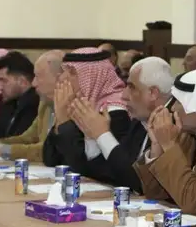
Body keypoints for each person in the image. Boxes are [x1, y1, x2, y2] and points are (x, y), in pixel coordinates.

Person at [135, 68, 196, 214]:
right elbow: (156, 193)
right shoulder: (187, 135)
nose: (173, 108)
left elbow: (194, 203)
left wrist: (169, 145)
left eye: (179, 102)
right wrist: (157, 146)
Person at [69, 56, 173, 191]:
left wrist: (102, 134)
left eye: (131, 87)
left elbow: (138, 183)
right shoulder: (138, 122)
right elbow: (107, 173)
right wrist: (92, 137)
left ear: (153, 93)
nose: (123, 95)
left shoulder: (171, 125)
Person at [42, 47, 131, 181]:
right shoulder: (80, 105)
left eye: (72, 72)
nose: (63, 78)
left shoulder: (116, 112)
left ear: (93, 77)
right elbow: (50, 159)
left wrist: (64, 121)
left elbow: (80, 168)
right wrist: (59, 120)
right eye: (65, 71)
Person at [0, 51, 40, 138]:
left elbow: (21, 141)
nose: (0, 87)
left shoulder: (34, 106)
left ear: (22, 81)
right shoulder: (11, 102)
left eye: (4, 80)